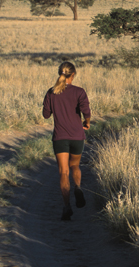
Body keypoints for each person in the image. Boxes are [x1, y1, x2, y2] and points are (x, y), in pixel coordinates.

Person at [43, 62, 91, 221]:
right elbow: (86, 112)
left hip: (60, 137)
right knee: (75, 166)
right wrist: (87, 122)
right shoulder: (79, 92)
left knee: (63, 172)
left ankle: (66, 207)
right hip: (77, 136)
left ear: (60, 74)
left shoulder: (51, 92)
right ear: (73, 75)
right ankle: (77, 187)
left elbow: (46, 115)